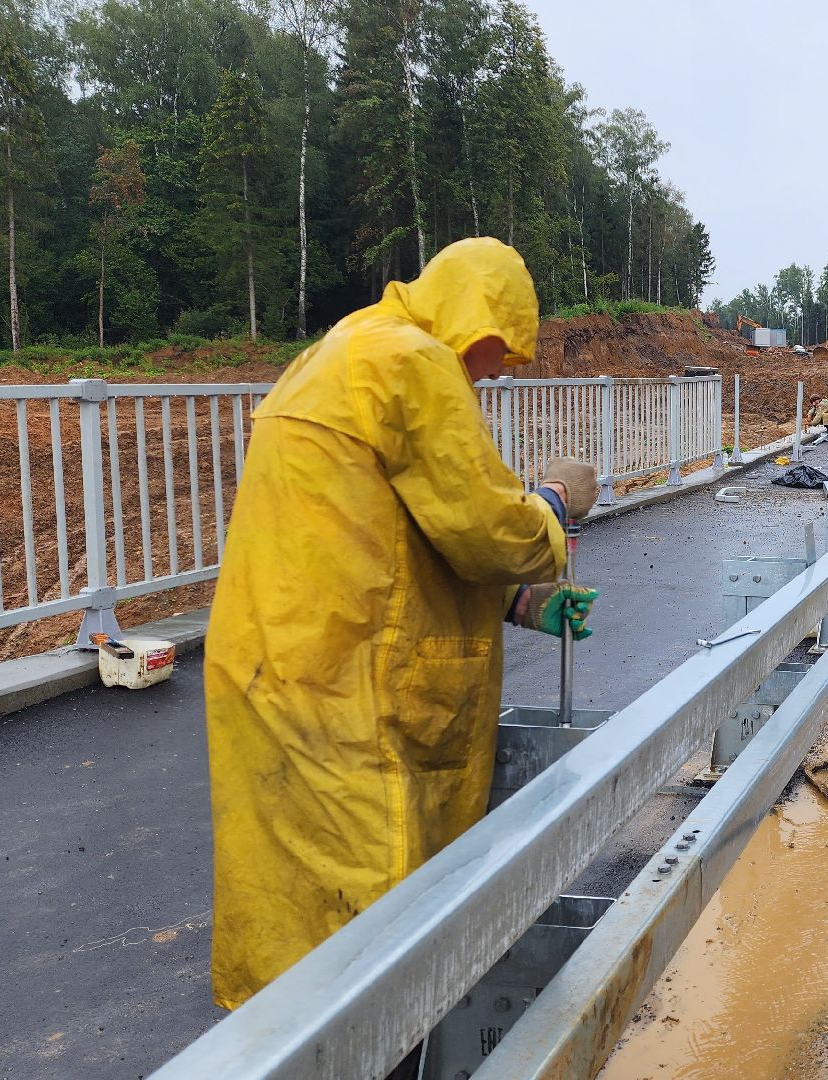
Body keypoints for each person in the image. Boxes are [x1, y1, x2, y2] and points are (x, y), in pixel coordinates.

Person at [204, 237, 599, 1011]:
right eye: (498, 350)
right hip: (344, 689)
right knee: (372, 946)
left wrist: (518, 605)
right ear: (473, 317)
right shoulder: (412, 362)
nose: (497, 370)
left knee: (293, 917)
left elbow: (377, 541)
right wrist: (553, 501)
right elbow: (489, 531)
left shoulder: (339, 352)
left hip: (274, 669)